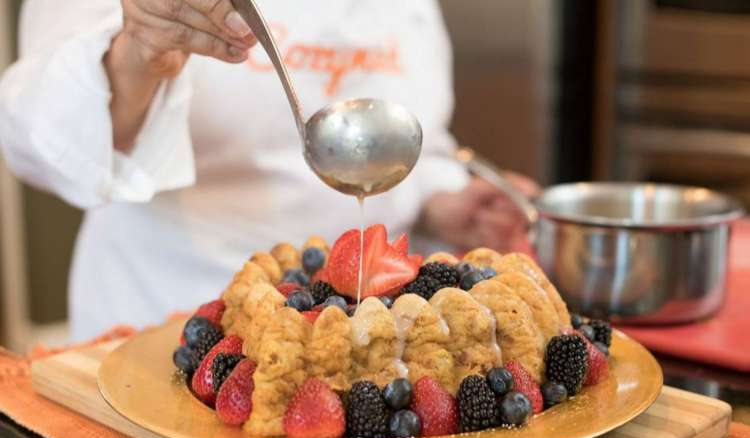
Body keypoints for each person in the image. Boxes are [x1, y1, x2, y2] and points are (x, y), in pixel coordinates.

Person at [0, 0, 537, 341]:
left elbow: (416, 130)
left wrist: (444, 202)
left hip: (374, 334)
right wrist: (138, 53)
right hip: (166, 323)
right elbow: (36, 139)